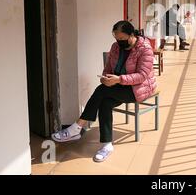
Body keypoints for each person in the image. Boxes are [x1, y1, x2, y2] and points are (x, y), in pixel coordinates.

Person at [51, 20, 157, 162]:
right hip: (118, 86)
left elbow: (142, 76)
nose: (119, 42)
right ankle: (107, 145)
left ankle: (77, 127)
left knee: (102, 92)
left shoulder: (145, 49)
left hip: (138, 88)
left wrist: (119, 80)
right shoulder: (115, 47)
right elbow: (108, 68)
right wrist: (105, 78)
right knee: (105, 102)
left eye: (122, 39)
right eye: (116, 38)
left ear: (132, 35)